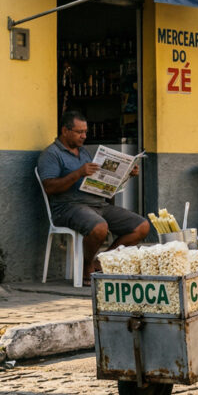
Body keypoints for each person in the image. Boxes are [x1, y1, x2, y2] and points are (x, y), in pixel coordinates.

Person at [36, 110, 148, 283]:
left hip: (97, 204)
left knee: (141, 226)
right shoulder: (51, 154)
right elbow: (50, 187)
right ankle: (86, 264)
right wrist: (78, 173)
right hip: (68, 207)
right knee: (99, 228)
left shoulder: (84, 152)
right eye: (79, 132)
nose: (84, 136)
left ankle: (100, 261)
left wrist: (126, 174)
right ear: (65, 131)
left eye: (85, 132)